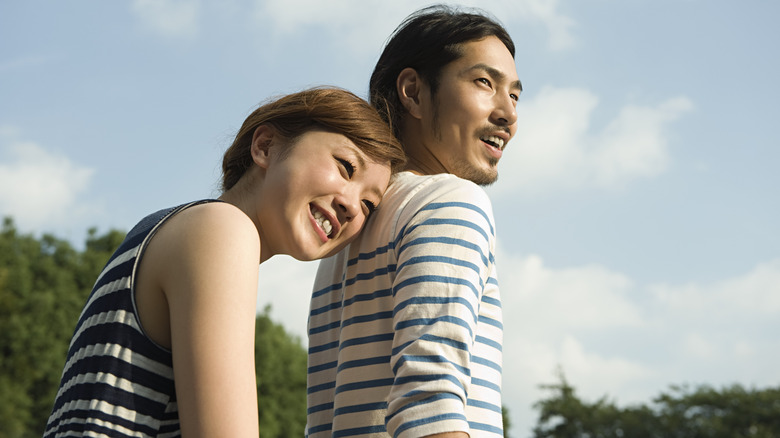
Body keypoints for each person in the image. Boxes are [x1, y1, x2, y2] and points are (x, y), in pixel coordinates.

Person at [43, 87, 406, 437]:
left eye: (369, 205)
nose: (352, 205)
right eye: (345, 166)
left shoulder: (169, 226)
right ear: (265, 146)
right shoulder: (221, 227)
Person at [306, 5, 521, 438]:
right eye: (485, 82)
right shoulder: (453, 200)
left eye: (514, 95)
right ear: (413, 91)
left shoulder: (346, 235)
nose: (508, 114)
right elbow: (430, 402)